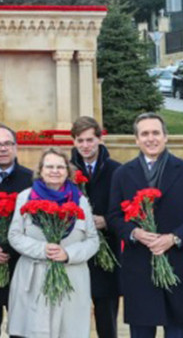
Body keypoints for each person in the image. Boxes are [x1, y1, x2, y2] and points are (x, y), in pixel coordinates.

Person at [108, 112, 183, 338]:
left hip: (177, 267)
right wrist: (135, 232)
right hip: (140, 269)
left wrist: (174, 238)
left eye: (156, 133)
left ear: (166, 137)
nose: (150, 138)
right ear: (136, 139)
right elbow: (114, 216)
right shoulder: (123, 174)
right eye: (144, 134)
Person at [7, 147, 100, 338]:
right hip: (34, 277)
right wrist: (43, 249)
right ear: (40, 170)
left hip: (71, 277)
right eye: (49, 166)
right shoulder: (25, 197)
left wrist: (68, 254)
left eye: (60, 167)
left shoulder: (80, 201)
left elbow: (92, 241)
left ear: (68, 171)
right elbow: (14, 235)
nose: (55, 171)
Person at [0, 124, 34, 338]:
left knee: (21, 328)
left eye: (7, 144)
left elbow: (36, 223)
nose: (2, 149)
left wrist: (11, 246)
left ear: (16, 147)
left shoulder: (31, 180)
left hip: (21, 264)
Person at [70, 117, 121, 338]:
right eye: (80, 140)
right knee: (73, 316)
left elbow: (125, 209)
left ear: (100, 139)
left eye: (90, 140)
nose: (85, 145)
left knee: (106, 316)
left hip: (107, 251)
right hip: (76, 252)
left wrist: (107, 221)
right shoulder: (66, 171)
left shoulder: (117, 170)